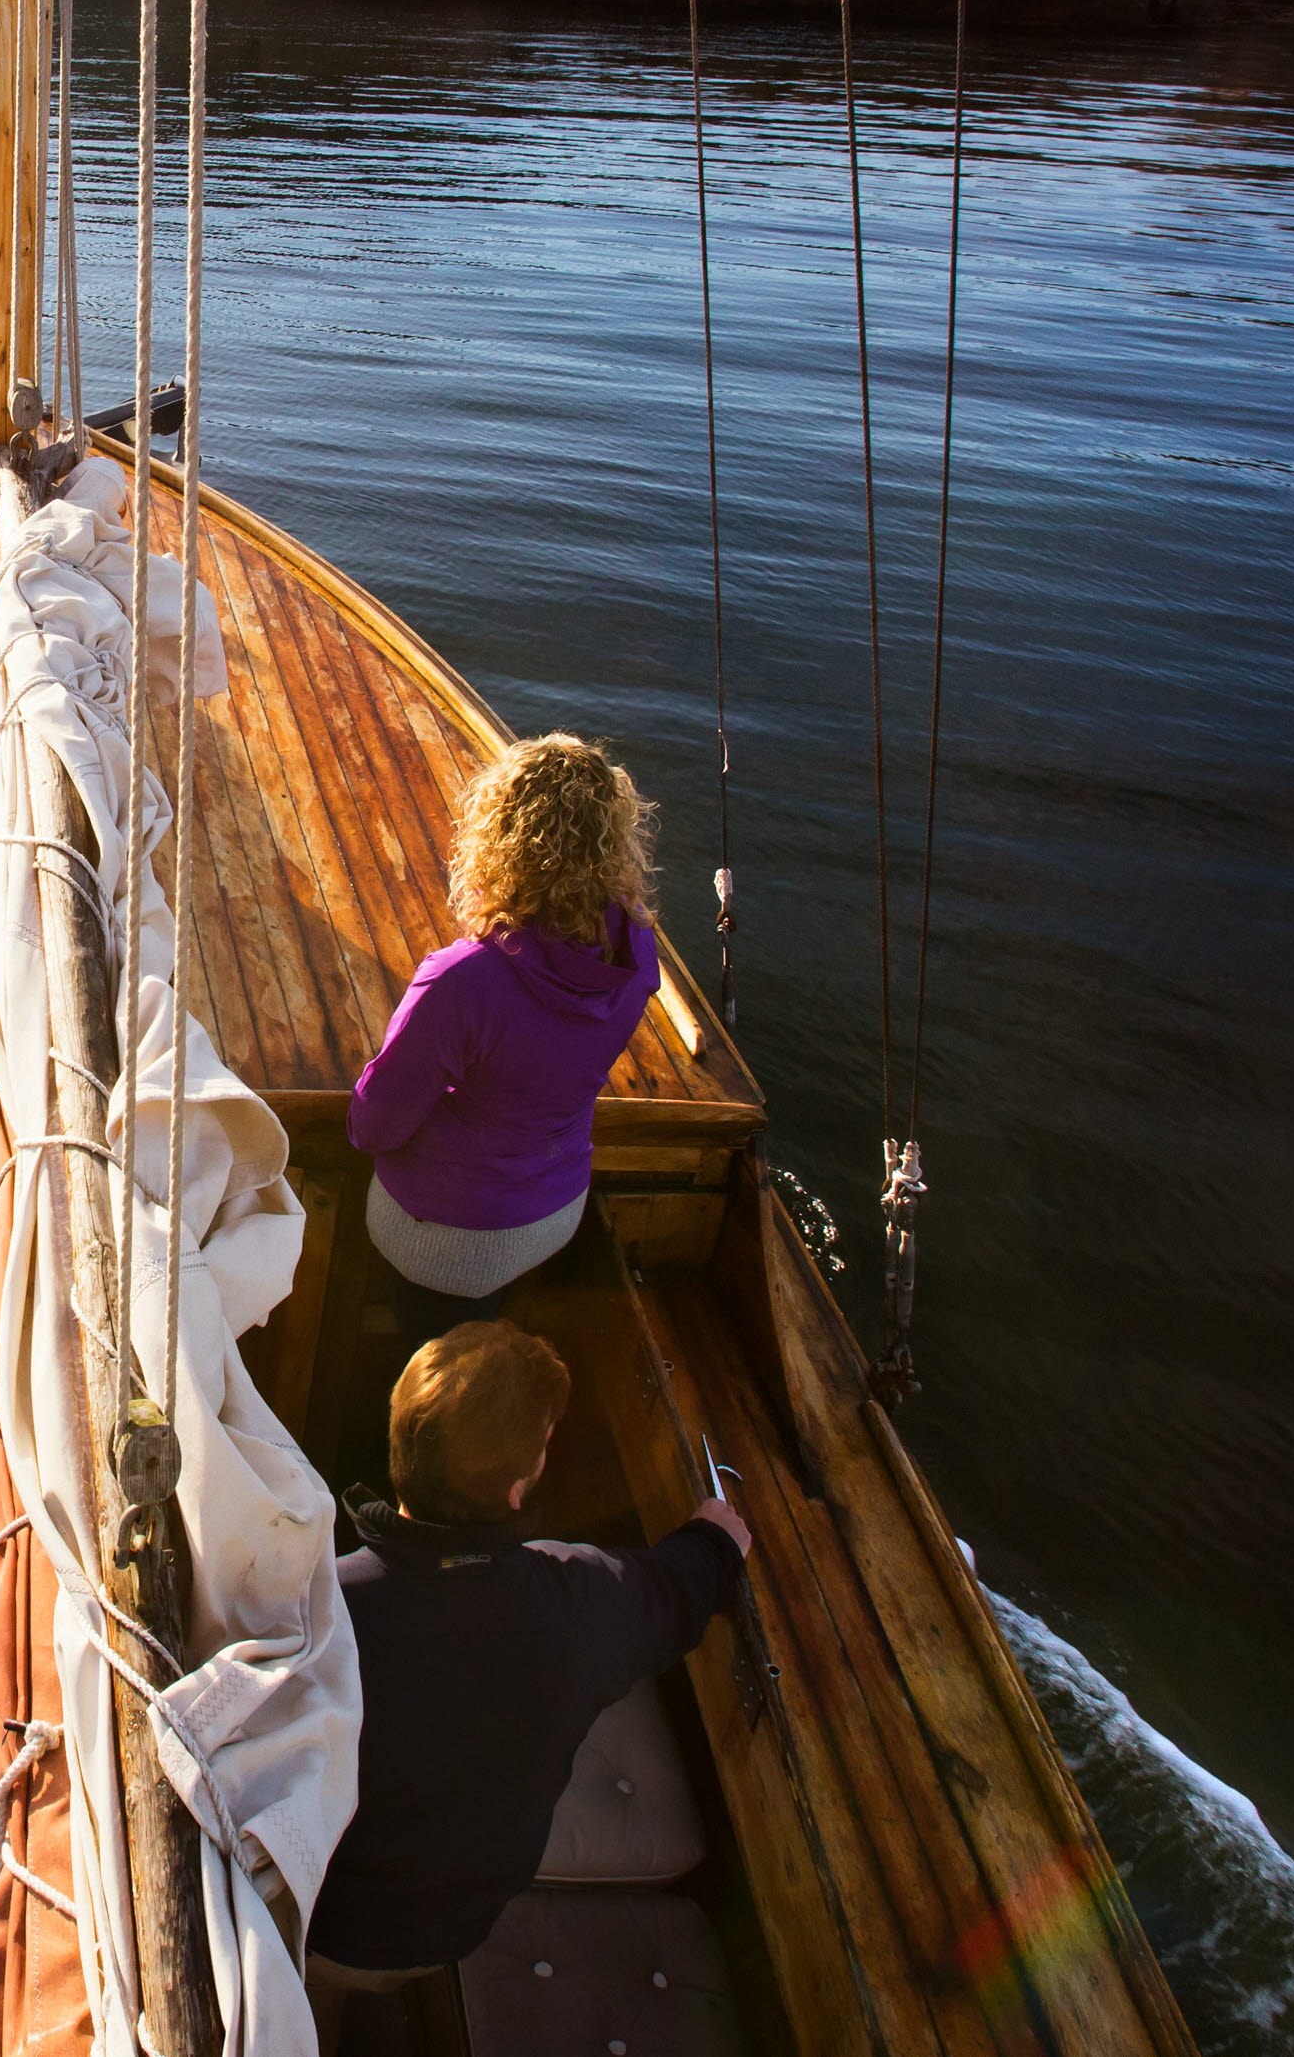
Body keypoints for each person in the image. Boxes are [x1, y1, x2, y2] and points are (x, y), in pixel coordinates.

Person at [306, 1322, 748, 2033]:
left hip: (320, 1926)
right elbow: (675, 1591)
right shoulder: (578, 1602)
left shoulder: (323, 1604)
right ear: (518, 1490)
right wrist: (716, 1538)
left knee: (308, 2008)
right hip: (454, 1927)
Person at [345, 734, 664, 1337]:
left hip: (447, 1234)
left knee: (431, 1367)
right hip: (553, 1210)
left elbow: (373, 1127)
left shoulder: (463, 980)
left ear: (500, 843)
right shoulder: (636, 951)